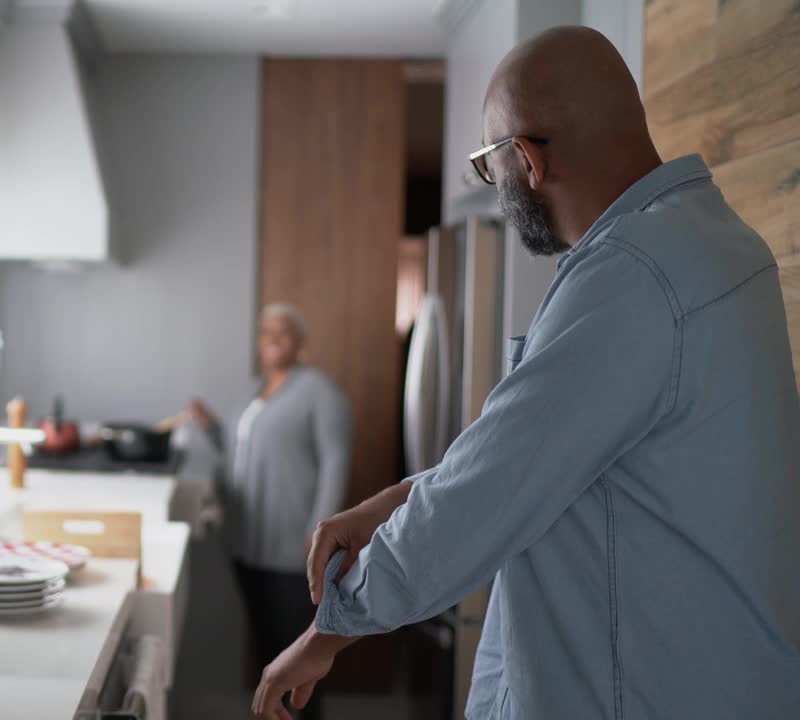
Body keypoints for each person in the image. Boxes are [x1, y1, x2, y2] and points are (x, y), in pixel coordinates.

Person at [252, 26, 800, 720]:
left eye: (489, 164)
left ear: (527, 159)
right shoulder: (720, 244)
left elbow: (480, 496)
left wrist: (327, 631)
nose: (497, 183)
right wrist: (386, 504)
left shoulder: (629, 277)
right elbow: (542, 454)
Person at [189, 302, 351, 720]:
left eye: (283, 332)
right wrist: (210, 429)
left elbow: (336, 461)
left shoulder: (318, 390)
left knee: (297, 656)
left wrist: (321, 530)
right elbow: (240, 454)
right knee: (266, 646)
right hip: (248, 547)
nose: (273, 339)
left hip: (296, 551)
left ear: (299, 342)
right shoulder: (252, 392)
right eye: (266, 332)